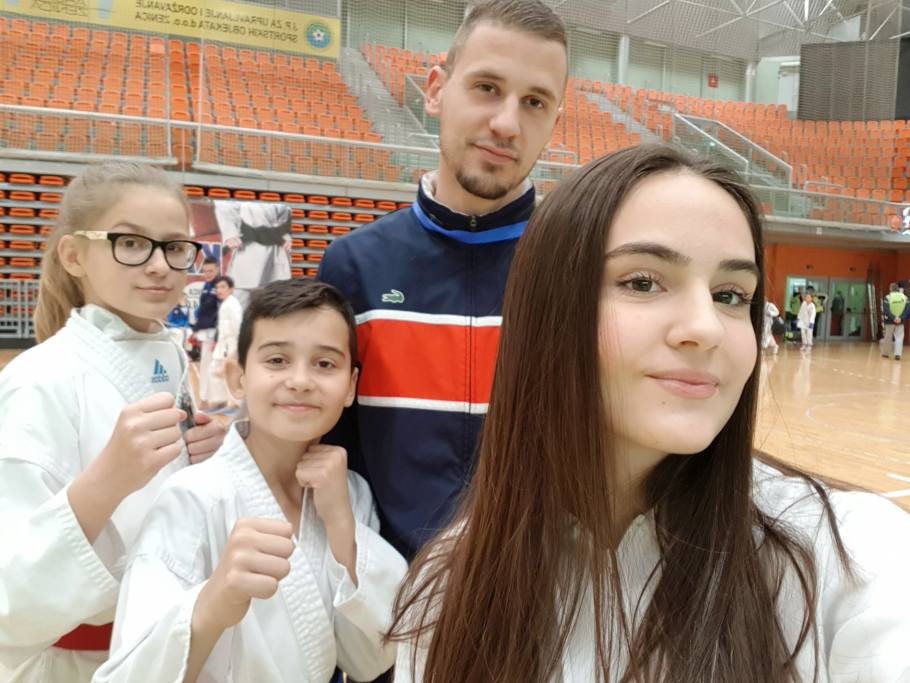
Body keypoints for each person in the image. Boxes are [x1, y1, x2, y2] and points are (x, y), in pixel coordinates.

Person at [389, 145, 910, 682]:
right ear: (546, 312)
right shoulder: (451, 585)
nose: (705, 327)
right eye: (642, 282)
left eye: (731, 295)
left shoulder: (856, 557)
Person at [318, 0, 569, 560]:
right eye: (487, 88)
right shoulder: (353, 265)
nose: (506, 124)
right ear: (435, 91)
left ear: (555, 120)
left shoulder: (581, 269)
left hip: (537, 593)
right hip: (383, 593)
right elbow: (324, 444)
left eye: (534, 102)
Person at [94, 278, 407, 683]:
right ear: (237, 377)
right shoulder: (193, 497)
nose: (300, 380)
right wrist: (213, 602)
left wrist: (343, 529)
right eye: (277, 360)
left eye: (325, 364)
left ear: (350, 386)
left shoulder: (349, 493)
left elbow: (371, 658)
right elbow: (128, 674)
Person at [0, 162, 225, 682]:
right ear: (74, 256)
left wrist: (205, 463)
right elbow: (8, 597)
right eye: (131, 243)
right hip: (73, 663)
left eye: (174, 246)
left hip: (172, 645)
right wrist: (108, 480)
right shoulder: (36, 381)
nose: (159, 265)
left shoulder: (168, 356)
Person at [215, 201, 292, 308]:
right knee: (238, 303)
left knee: (275, 304)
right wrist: (230, 233)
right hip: (248, 250)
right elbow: (224, 207)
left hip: (277, 251)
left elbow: (288, 217)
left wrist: (288, 235)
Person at [205, 275, 244, 411]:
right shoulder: (226, 303)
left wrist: (237, 348)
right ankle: (220, 401)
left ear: (231, 289)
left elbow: (238, 327)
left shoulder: (232, 304)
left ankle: (235, 404)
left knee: (229, 372)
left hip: (231, 344)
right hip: (223, 344)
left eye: (223, 287)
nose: (219, 290)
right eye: (217, 287)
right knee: (215, 371)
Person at [191, 258, 221, 407]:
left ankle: (209, 398)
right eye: (205, 271)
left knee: (213, 366)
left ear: (218, 269)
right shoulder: (206, 286)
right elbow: (203, 311)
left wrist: (217, 336)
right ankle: (206, 397)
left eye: (211, 271)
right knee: (207, 365)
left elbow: (221, 313)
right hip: (206, 331)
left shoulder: (221, 286)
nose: (207, 274)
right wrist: (196, 330)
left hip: (215, 332)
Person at [881, 282, 908, 360]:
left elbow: (886, 310)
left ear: (890, 288)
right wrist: (901, 318)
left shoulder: (888, 297)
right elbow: (907, 310)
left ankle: (886, 353)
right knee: (899, 338)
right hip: (900, 322)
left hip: (890, 321)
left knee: (888, 337)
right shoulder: (905, 297)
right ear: (898, 289)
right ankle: (898, 354)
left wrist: (893, 318)